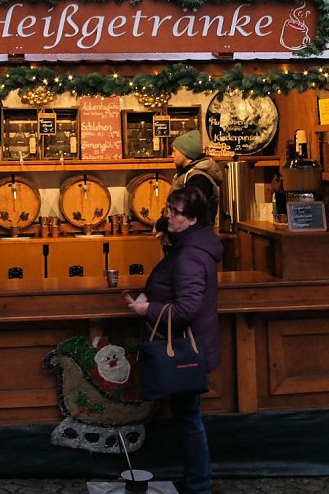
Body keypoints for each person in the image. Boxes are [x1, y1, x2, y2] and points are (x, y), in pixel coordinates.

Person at [128, 185, 223, 494]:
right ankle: (197, 481)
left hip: (185, 351)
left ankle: (199, 486)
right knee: (187, 417)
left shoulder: (190, 257)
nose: (168, 215)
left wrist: (148, 308)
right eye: (168, 209)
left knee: (189, 419)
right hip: (190, 347)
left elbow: (186, 309)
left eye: (175, 212)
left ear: (193, 219)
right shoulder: (191, 245)